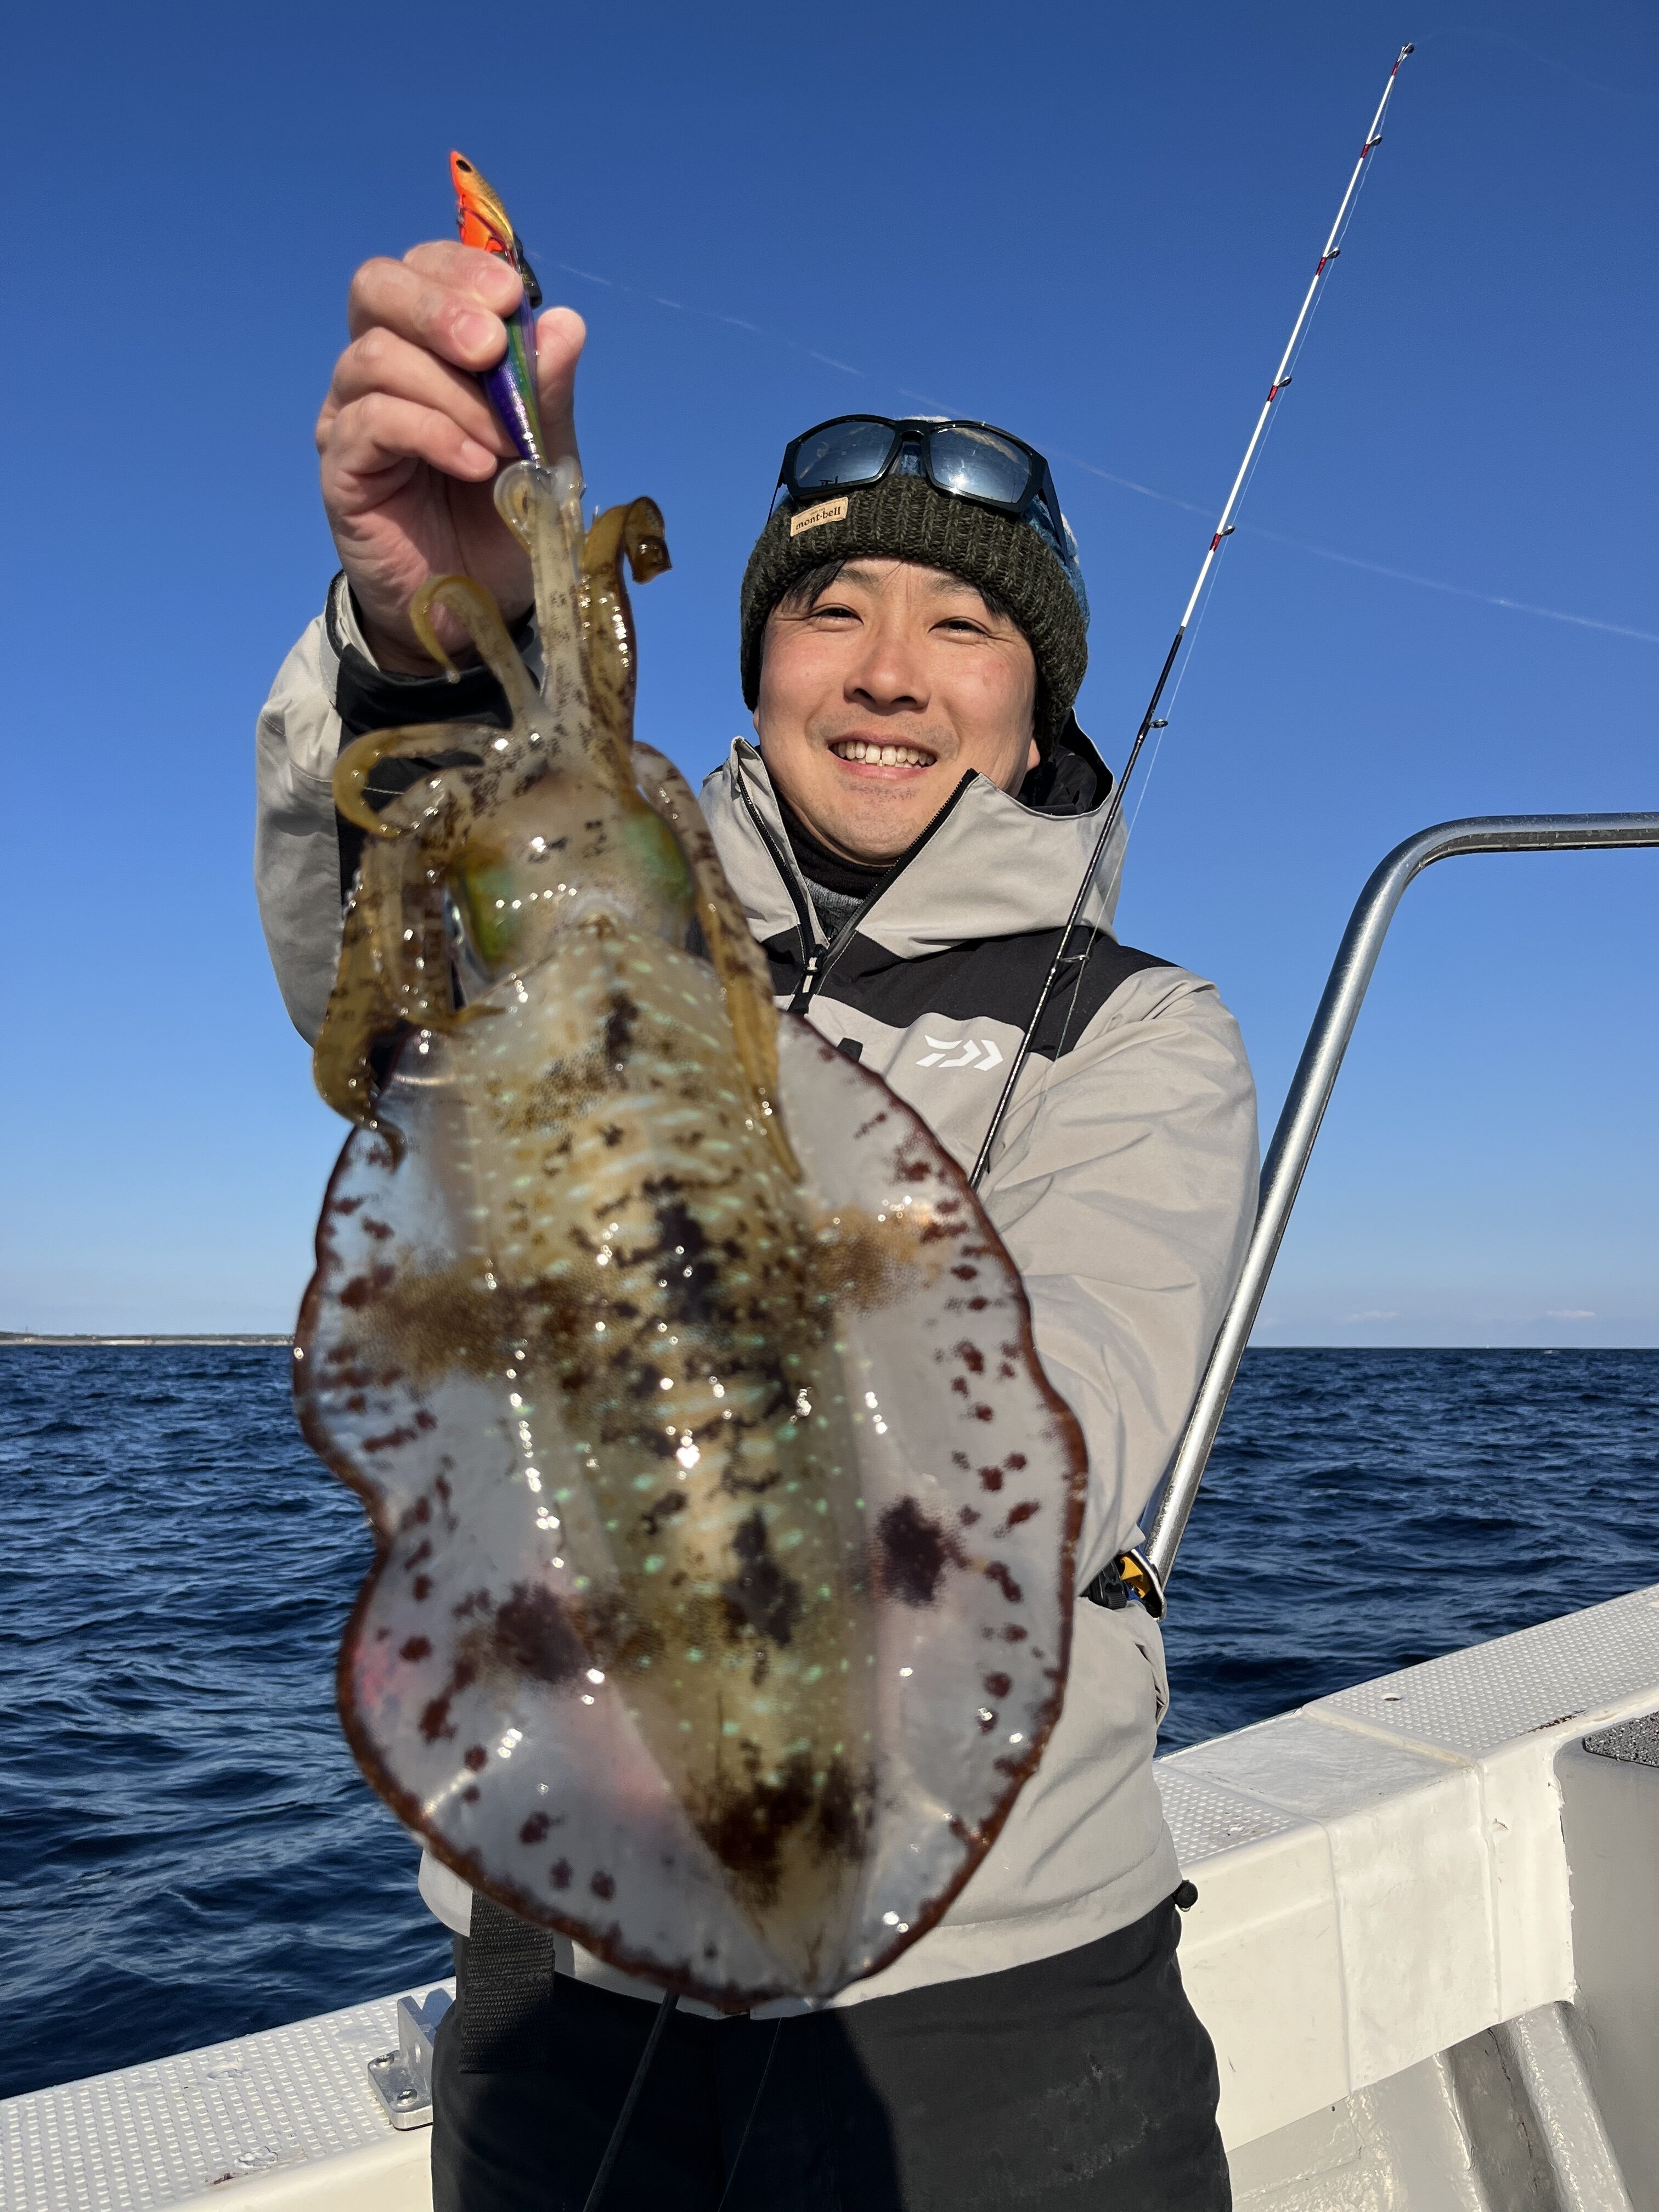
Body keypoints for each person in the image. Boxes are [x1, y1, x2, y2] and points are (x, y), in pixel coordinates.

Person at [255, 239, 1258, 2212]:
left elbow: (1058, 1433)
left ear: (1037, 700)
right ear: (760, 663)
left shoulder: (1140, 1032)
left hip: (991, 1977)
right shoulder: (604, 885)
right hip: (562, 1951)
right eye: (831, 607)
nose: (888, 668)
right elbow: (375, 1001)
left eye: (964, 622)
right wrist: (420, 643)